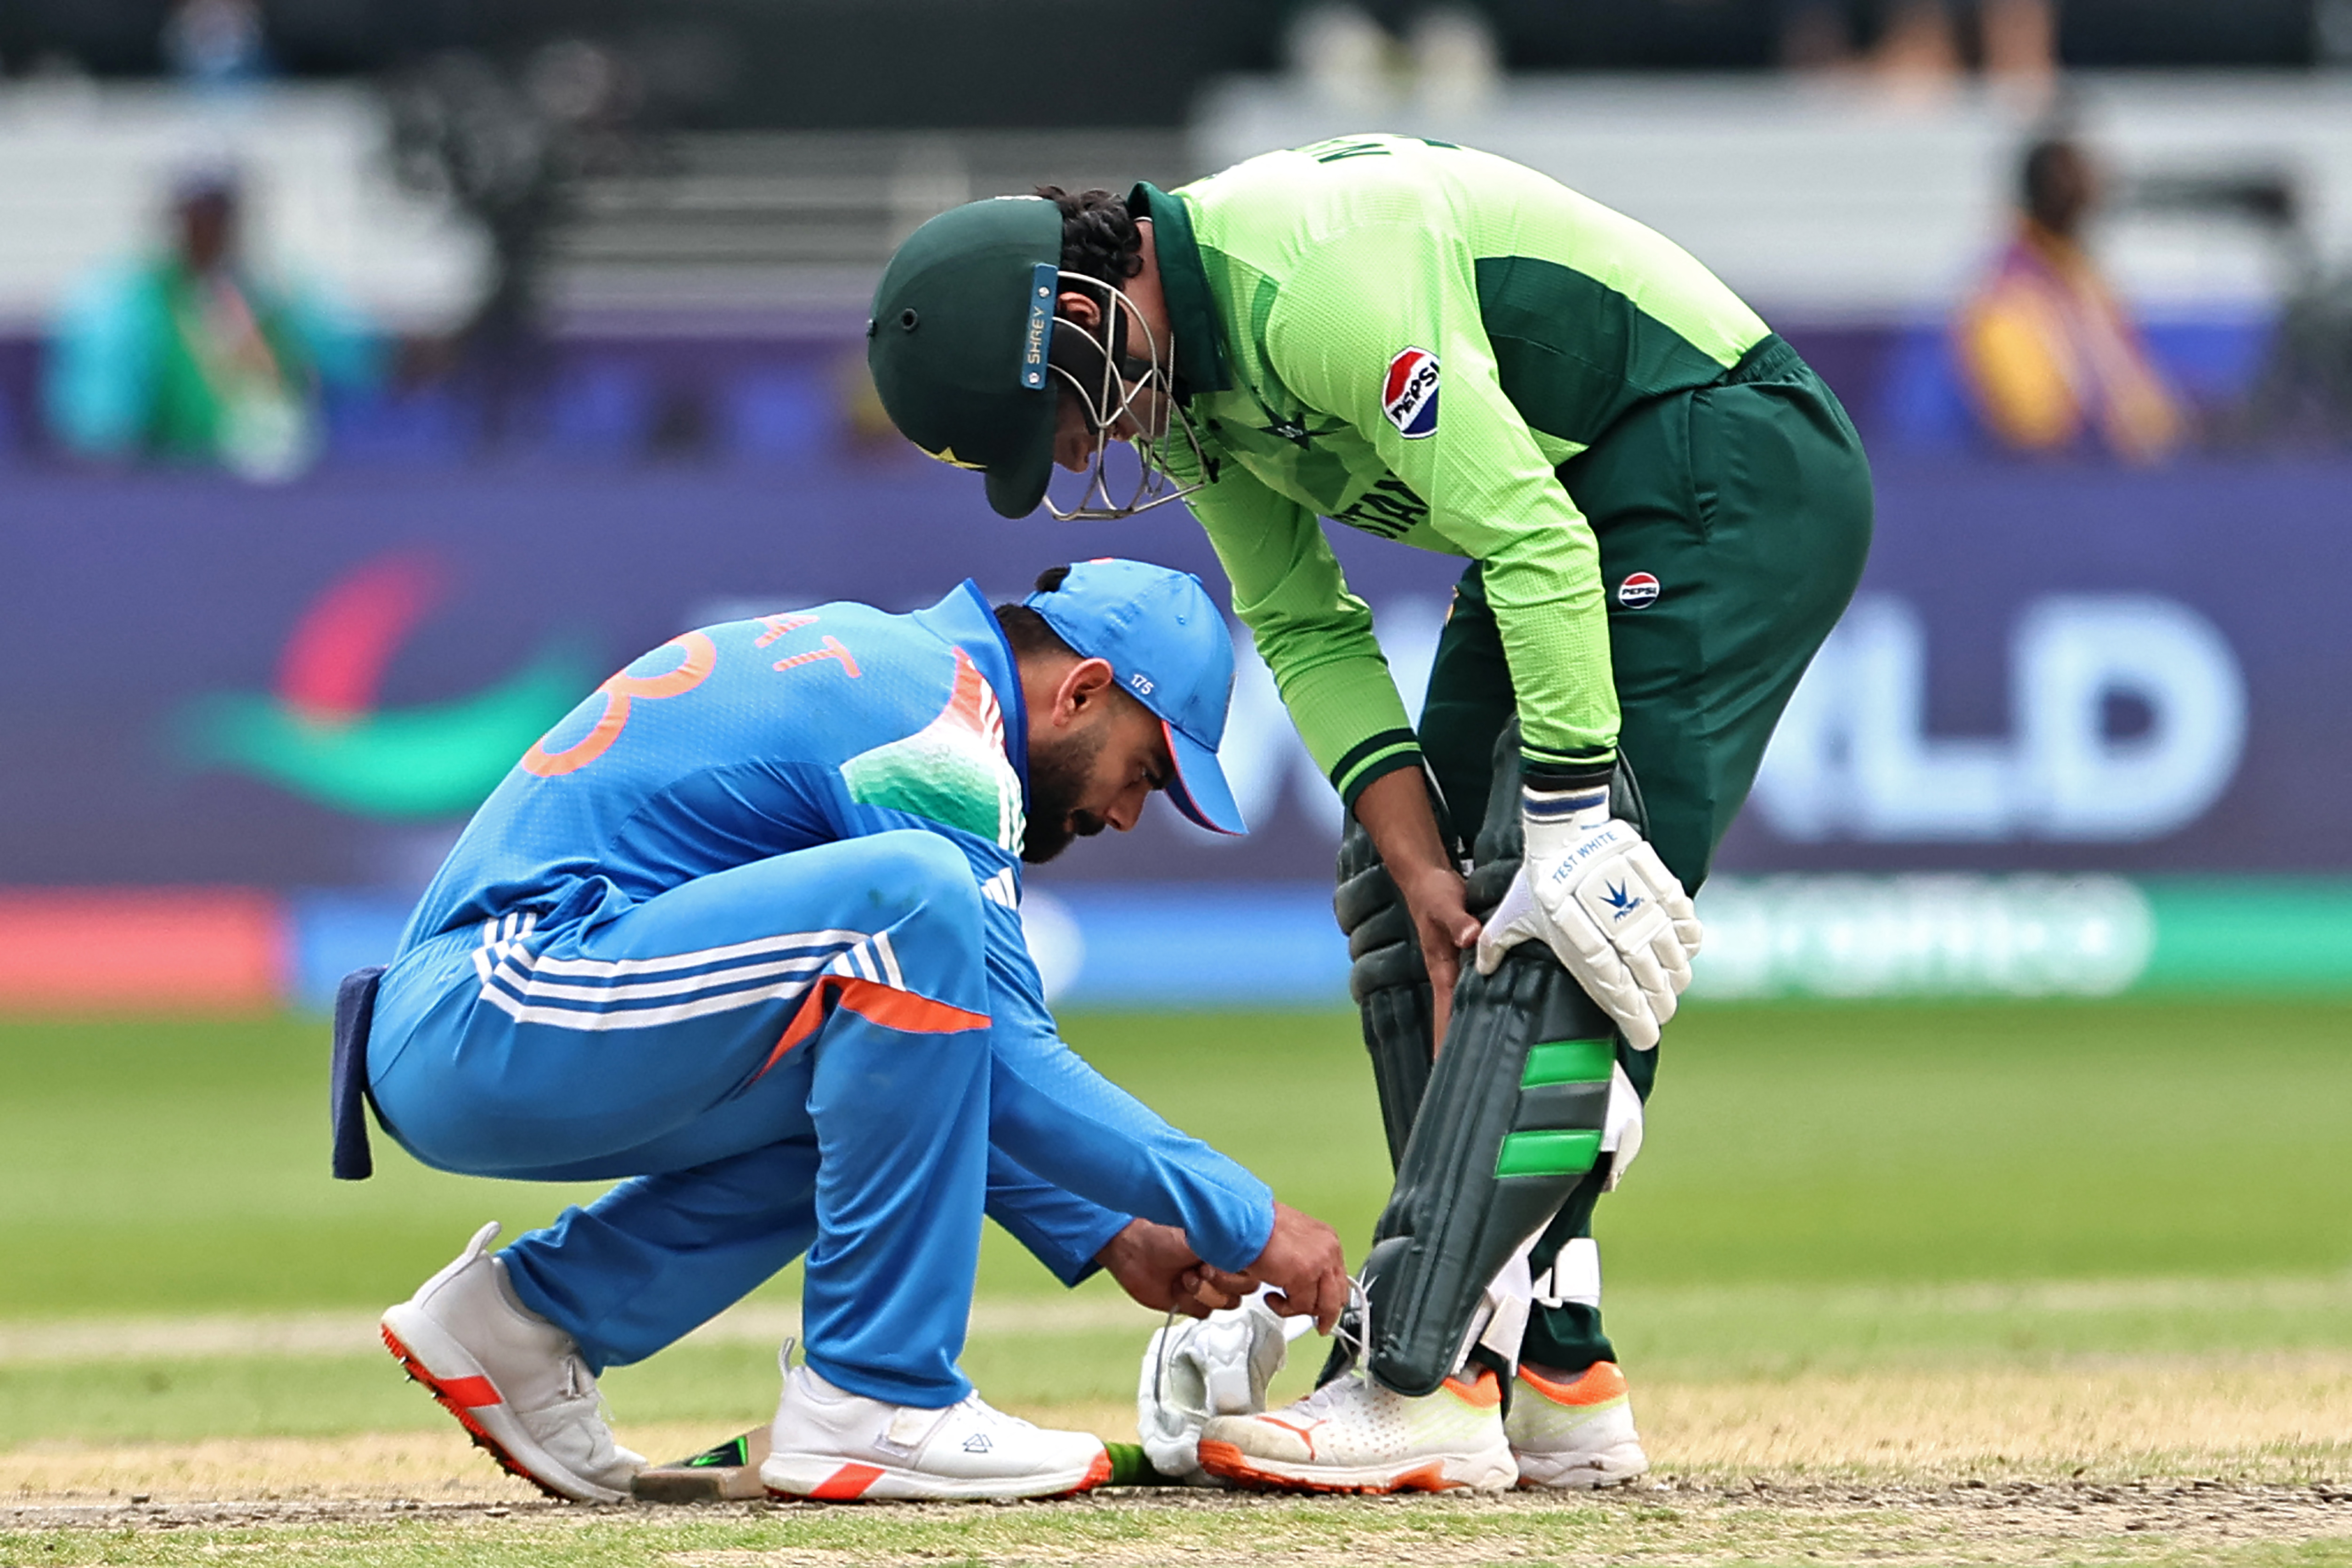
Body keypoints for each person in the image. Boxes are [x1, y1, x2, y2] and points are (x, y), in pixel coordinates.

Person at [864, 134, 1874, 1493]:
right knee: (1404, 878)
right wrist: (1417, 863)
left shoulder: (1315, 280)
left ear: (1091, 312)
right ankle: (1557, 1371)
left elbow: (1528, 540)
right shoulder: (1190, 389)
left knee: (1548, 907)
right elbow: (1299, 619)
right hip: (1581, 499)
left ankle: (1425, 1377)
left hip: (1722, 462)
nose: (1080, 446)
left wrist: (1570, 827)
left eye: (1060, 412)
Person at [346, 559, 1351, 1504]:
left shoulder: (908, 674)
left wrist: (1109, 1226)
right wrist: (1250, 1216)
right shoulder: (938, 725)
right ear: (1081, 691)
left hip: (488, 1020)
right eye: (1144, 770)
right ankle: (879, 1389)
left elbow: (930, 1064)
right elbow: (1007, 1054)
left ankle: (526, 1322)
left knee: (872, 1049)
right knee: (919, 899)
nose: (1129, 813)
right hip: (489, 1008)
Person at [44, 167, 377, 480]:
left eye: (221, 216)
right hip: (186, 483)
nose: (211, 230)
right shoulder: (128, 300)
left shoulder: (275, 291)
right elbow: (98, 425)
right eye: (199, 216)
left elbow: (348, 366)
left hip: (288, 482)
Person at [1953, 135, 2186, 464]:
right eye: (2071, 176)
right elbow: (2032, 422)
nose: (2086, 189)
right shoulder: (2004, 295)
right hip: (2052, 484)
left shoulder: (2083, 275)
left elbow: (2135, 377)